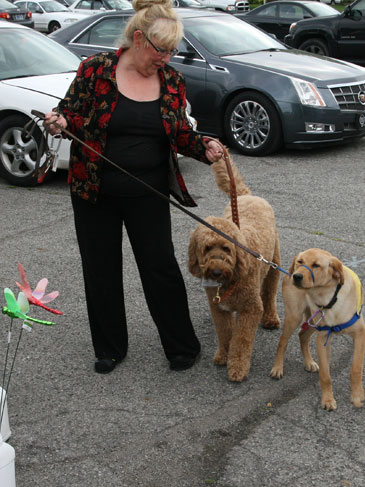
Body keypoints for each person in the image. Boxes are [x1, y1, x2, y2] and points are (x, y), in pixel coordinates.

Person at [43, 0, 225, 374]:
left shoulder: (172, 80)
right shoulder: (95, 70)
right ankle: (109, 348)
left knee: (161, 269)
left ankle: (181, 346)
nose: (167, 57)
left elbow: (180, 133)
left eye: (173, 50)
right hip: (94, 193)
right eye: (162, 50)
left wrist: (203, 147)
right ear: (138, 39)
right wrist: (59, 121)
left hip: (149, 193)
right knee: (101, 270)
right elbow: (71, 112)